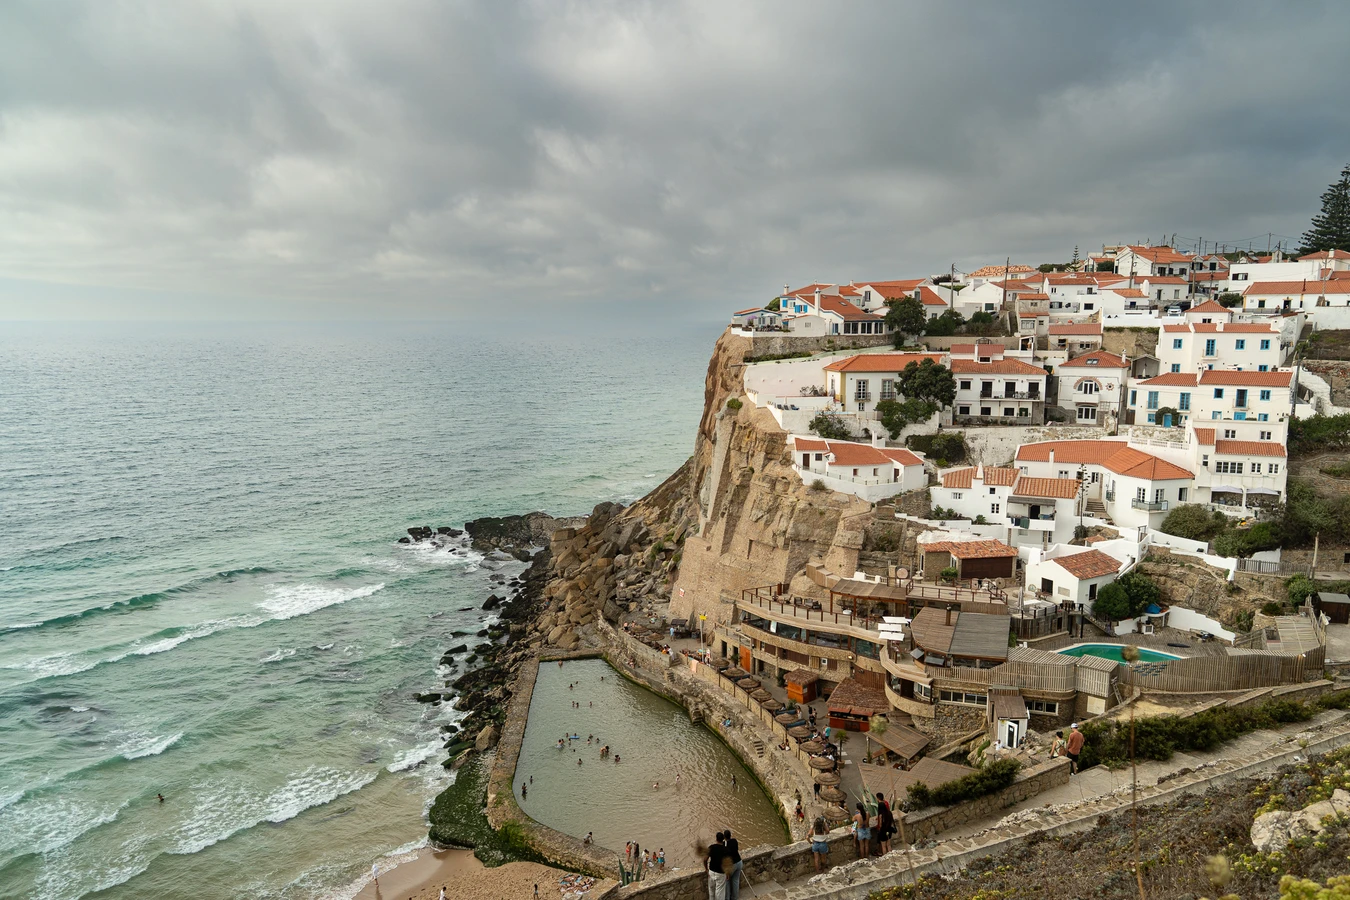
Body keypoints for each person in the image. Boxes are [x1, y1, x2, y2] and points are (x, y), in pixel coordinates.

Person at [706, 832, 728, 900]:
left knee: (711, 892)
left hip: (711, 872)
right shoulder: (725, 850)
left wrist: (706, 870)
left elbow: (704, 860)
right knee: (720, 893)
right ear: (723, 839)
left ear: (716, 838)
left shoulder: (711, 847)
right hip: (721, 873)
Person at [724, 829, 742, 899]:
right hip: (739, 862)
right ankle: (735, 897)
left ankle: (727, 898)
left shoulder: (724, 845)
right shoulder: (735, 841)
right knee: (735, 881)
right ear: (730, 835)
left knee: (727, 881)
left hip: (732, 865)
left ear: (724, 837)